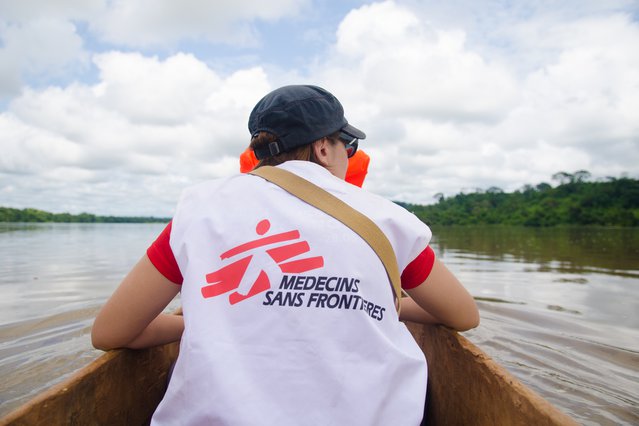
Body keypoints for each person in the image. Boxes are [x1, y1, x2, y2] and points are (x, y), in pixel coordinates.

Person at [92, 84, 479, 425]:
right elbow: (463, 315)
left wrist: (203, 321)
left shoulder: (199, 210)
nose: (349, 154)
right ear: (324, 147)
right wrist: (394, 306)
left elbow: (110, 332)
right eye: (350, 144)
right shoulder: (388, 219)